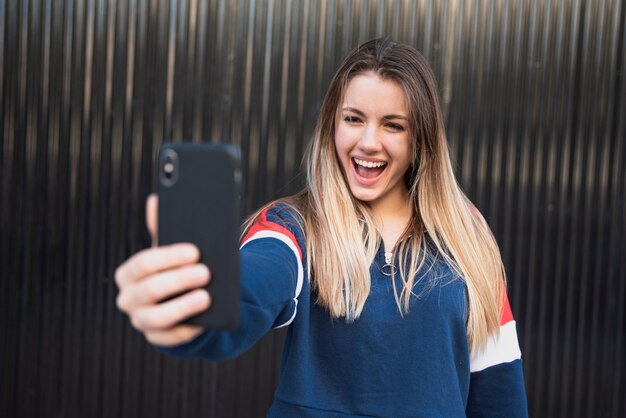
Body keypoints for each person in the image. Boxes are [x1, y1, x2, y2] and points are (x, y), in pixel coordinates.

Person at [115, 38, 528, 417]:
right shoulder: (293, 226)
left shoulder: (466, 233)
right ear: (332, 124)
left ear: (420, 138)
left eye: (392, 125)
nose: (368, 142)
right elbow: (254, 284)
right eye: (353, 119)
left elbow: (499, 390)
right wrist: (196, 309)